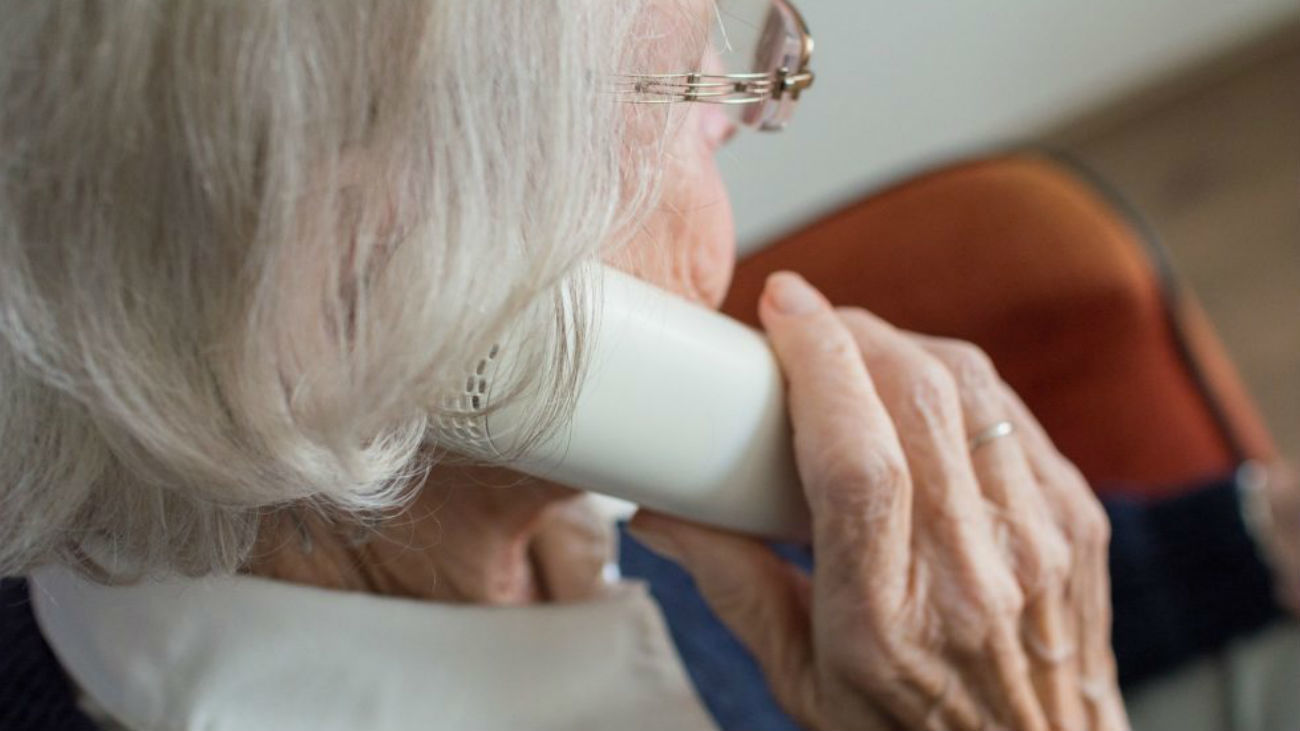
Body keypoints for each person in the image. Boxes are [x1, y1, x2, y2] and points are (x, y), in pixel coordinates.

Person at [1, 1, 1287, 730]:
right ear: (370, 295)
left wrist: (1250, 535)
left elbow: (909, 606)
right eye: (696, 86)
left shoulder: (523, 471)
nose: (750, 113)